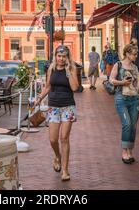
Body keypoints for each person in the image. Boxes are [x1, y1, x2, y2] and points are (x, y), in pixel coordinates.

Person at [34, 45, 79, 182]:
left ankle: (65, 170)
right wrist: (39, 98)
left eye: (64, 56)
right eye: (59, 56)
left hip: (67, 107)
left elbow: (75, 88)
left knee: (64, 138)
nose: (61, 59)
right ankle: (57, 156)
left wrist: (67, 71)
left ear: (67, 57)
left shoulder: (71, 68)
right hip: (53, 107)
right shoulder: (51, 69)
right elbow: (48, 86)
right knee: (53, 139)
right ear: (55, 56)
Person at [109, 43, 139, 164]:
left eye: (136, 54)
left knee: (133, 126)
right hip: (121, 99)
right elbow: (111, 80)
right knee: (127, 124)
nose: (136, 56)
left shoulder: (135, 68)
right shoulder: (118, 65)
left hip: (134, 100)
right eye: (134, 54)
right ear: (127, 54)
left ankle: (130, 150)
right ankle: (124, 151)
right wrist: (122, 82)